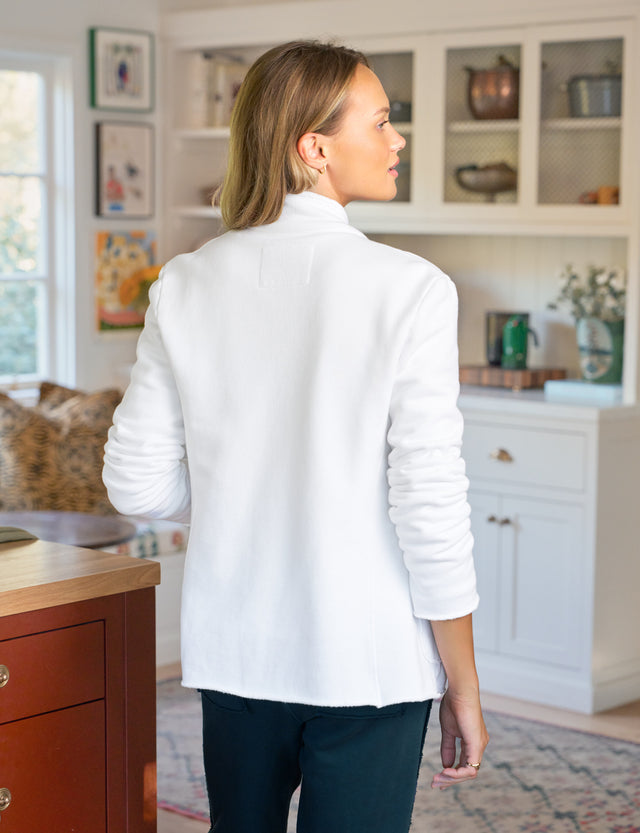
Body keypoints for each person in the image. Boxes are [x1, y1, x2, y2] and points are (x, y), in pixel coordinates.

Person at [103, 39, 489, 833]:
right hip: (367, 660)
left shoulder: (184, 282)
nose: (397, 140)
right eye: (380, 122)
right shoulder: (412, 289)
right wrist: (465, 681)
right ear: (315, 148)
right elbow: (429, 507)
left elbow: (134, 484)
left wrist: (245, 489)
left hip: (235, 654)